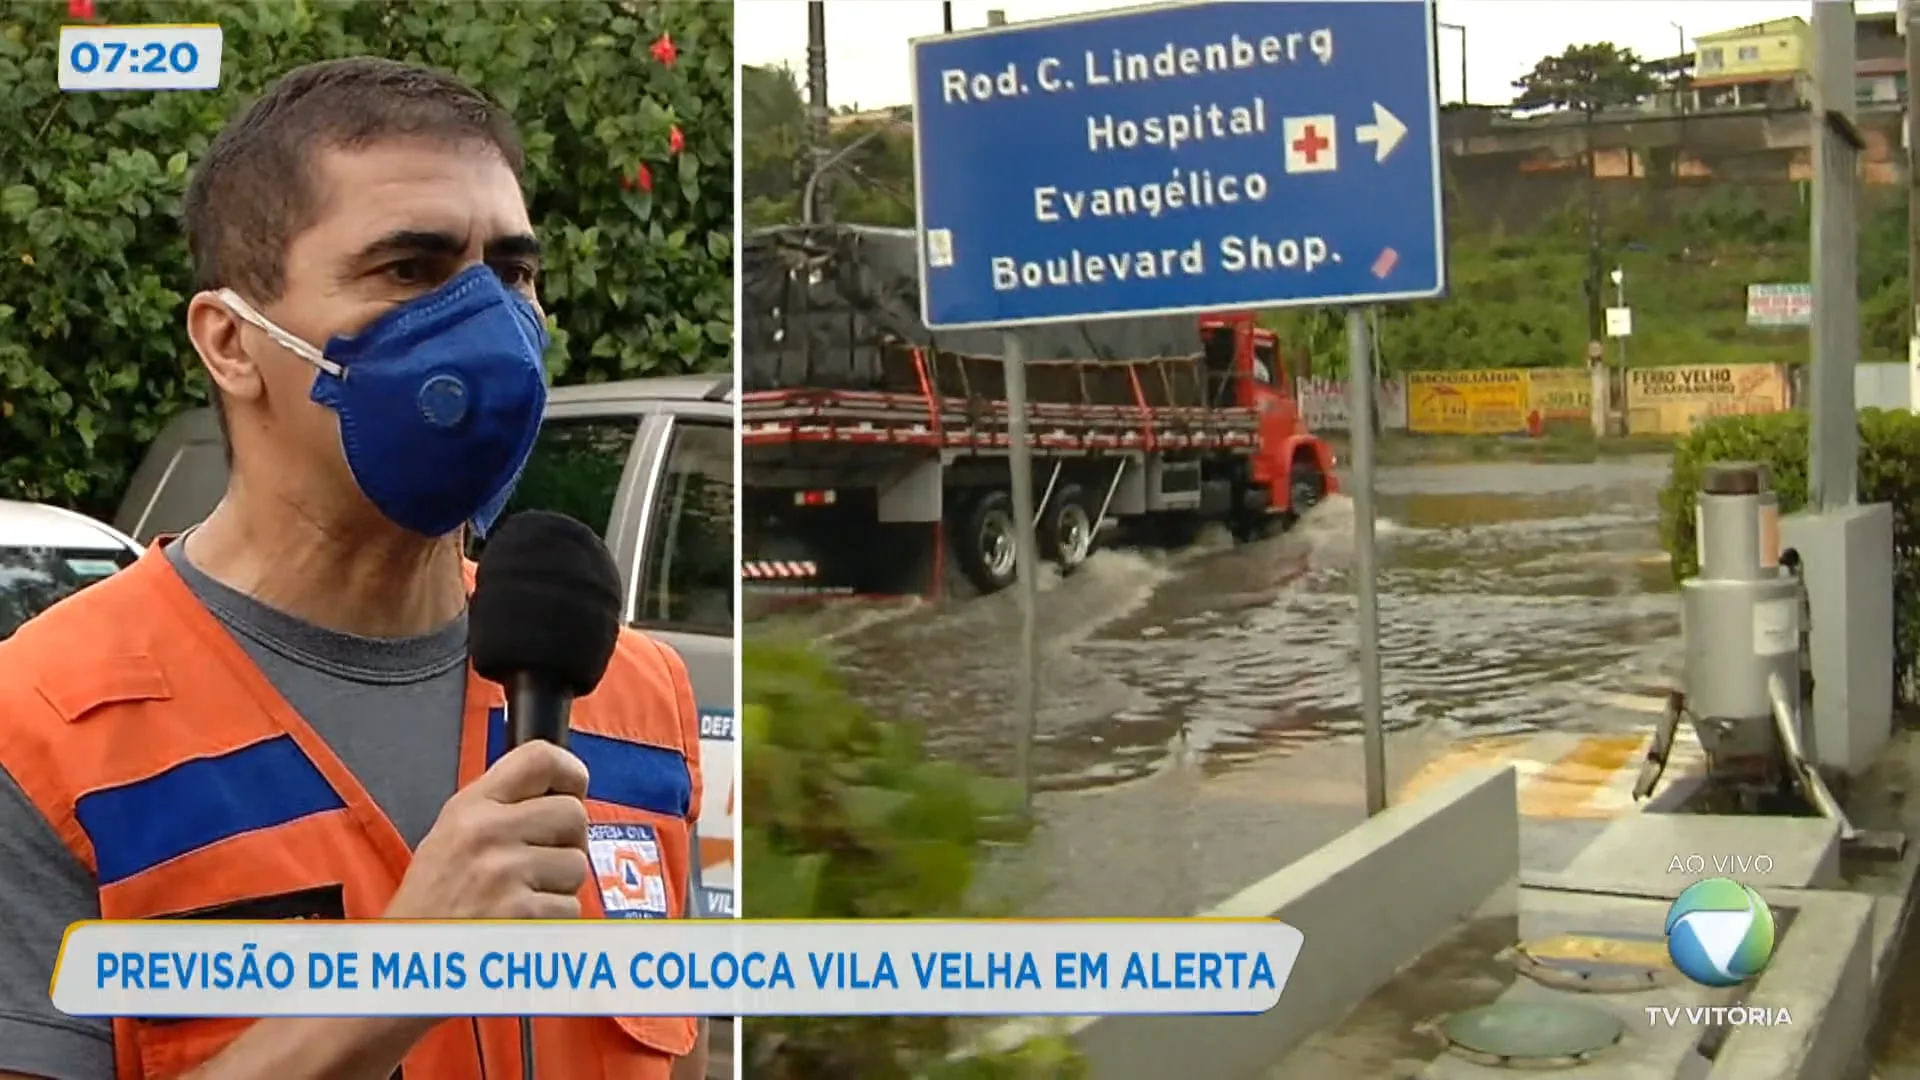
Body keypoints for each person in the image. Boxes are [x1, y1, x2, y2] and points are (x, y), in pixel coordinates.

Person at [0, 58, 709, 1080]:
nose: (490, 326)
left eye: (511, 273)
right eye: (410, 271)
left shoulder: (633, 699)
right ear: (232, 343)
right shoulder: (45, 733)